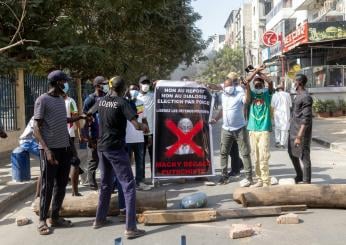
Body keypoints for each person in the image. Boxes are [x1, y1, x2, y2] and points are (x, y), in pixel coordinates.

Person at [93, 76, 148, 239]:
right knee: (129, 185)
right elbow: (136, 124)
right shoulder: (122, 102)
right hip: (116, 148)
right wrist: (144, 127)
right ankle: (131, 228)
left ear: (110, 87)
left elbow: (88, 113)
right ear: (123, 88)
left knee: (105, 184)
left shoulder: (101, 101)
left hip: (101, 148)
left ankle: (99, 219)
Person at [33, 70, 83, 235]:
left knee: (61, 185)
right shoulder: (42, 100)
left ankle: (55, 217)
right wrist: (46, 150)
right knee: (47, 187)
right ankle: (42, 220)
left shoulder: (61, 100)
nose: (66, 84)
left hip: (64, 149)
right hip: (50, 151)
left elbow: (62, 121)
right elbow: (36, 128)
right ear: (57, 82)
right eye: (64, 81)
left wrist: (80, 117)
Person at [210, 72, 254, 186]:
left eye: (228, 86)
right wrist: (216, 119)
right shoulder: (223, 94)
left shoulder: (240, 92)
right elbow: (223, 109)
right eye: (225, 86)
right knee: (223, 153)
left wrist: (248, 87)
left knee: (245, 153)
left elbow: (248, 100)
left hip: (240, 128)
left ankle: (249, 177)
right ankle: (224, 177)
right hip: (226, 129)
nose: (227, 88)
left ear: (233, 85)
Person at [247, 67, 274, 187]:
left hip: (264, 130)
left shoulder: (267, 95)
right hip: (253, 129)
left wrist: (259, 73)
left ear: (263, 85)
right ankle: (259, 180)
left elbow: (271, 82)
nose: (257, 85)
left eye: (259, 83)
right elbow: (246, 82)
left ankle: (266, 181)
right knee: (256, 157)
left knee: (263, 156)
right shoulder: (251, 95)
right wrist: (255, 71)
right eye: (256, 84)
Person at [82, 76, 109, 190]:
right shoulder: (90, 99)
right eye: (104, 84)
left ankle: (107, 184)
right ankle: (92, 185)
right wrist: (87, 137)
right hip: (94, 135)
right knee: (93, 161)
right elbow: (85, 118)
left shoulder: (107, 97)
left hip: (105, 135)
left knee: (106, 161)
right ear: (98, 86)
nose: (106, 86)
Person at [288, 74, 313, 184]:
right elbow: (297, 113)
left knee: (304, 155)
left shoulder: (306, 97)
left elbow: (306, 119)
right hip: (293, 130)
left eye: (295, 81)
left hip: (301, 133)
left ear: (299, 83)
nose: (294, 83)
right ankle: (299, 175)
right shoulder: (298, 95)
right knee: (292, 153)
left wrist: (299, 136)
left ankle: (307, 181)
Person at [125, 84, 150, 190]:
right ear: (127, 91)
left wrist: (148, 135)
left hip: (139, 137)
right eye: (132, 90)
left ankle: (139, 182)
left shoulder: (141, 103)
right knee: (127, 162)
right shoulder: (123, 103)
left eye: (136, 89)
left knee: (140, 161)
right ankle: (128, 182)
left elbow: (144, 119)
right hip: (126, 138)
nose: (134, 91)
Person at [63, 86, 82, 196]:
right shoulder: (70, 101)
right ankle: (75, 191)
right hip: (69, 134)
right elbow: (75, 117)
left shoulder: (50, 100)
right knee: (74, 161)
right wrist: (79, 132)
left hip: (54, 136)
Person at [137, 76, 154, 179]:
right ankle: (141, 178)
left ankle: (154, 177)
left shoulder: (153, 96)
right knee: (140, 156)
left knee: (153, 156)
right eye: (144, 83)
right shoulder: (136, 97)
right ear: (139, 84)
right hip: (139, 132)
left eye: (147, 83)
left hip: (152, 132)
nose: (145, 85)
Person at [271, 83, 292, 148]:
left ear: (277, 89)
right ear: (283, 89)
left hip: (277, 114)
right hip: (286, 114)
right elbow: (290, 105)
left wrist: (272, 115)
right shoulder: (288, 95)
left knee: (277, 128)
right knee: (284, 129)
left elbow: (272, 106)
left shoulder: (274, 95)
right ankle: (282, 143)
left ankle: (277, 141)